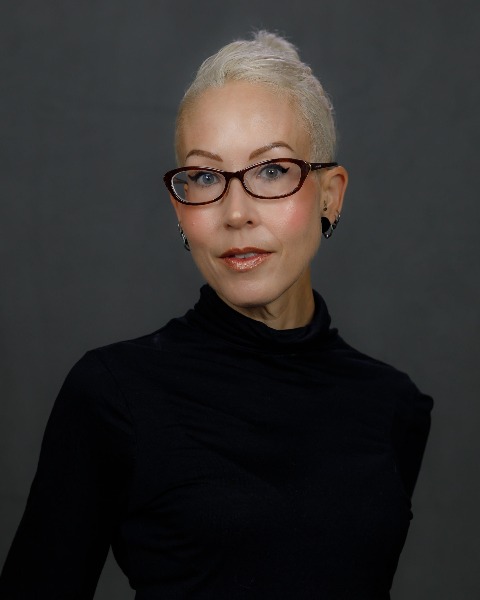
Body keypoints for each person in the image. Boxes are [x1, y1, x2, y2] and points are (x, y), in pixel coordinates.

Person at [0, 31, 432, 599]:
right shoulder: (113, 394)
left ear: (330, 195)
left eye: (272, 170)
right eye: (205, 178)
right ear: (180, 209)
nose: (235, 213)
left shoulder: (391, 405)